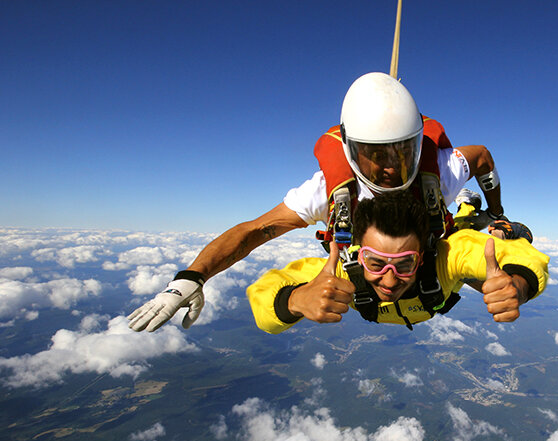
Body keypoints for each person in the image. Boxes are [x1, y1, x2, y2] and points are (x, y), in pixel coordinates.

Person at [127, 72, 508, 333]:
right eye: (374, 153)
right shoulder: (328, 190)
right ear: (349, 150)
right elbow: (254, 231)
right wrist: (191, 278)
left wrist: (499, 215)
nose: (390, 167)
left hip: (423, 255)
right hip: (374, 272)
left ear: (416, 143)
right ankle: (470, 210)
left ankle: (468, 211)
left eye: (403, 151)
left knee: (467, 242)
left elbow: (482, 157)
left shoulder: (437, 170)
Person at [247, 191, 549, 334]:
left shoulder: (445, 256)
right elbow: (263, 294)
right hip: (435, 297)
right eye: (376, 263)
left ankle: (481, 217)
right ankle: (468, 211)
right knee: (463, 241)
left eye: (404, 264)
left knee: (463, 238)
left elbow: (520, 257)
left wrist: (517, 286)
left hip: (445, 262)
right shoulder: (342, 274)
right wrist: (297, 298)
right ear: (358, 253)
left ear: (423, 256)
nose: (389, 281)